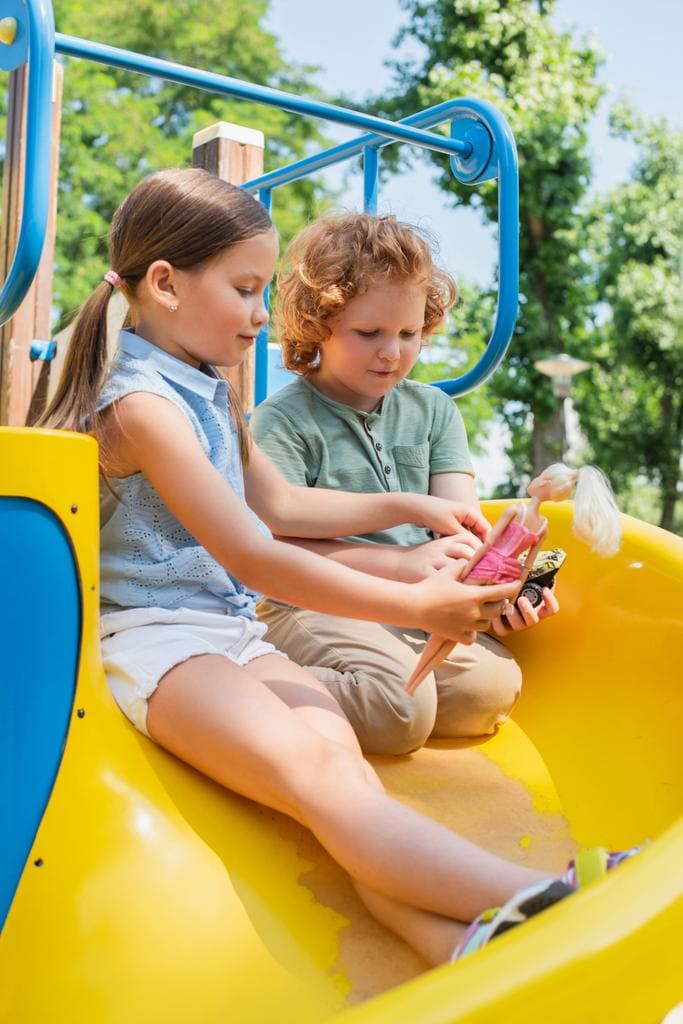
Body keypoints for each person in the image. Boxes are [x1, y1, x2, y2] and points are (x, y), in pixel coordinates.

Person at [38, 168, 624, 965]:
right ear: (166, 285)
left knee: (345, 787)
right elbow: (253, 551)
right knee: (320, 777)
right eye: (245, 290)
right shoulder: (140, 405)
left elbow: (280, 505)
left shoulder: (208, 390)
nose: (257, 315)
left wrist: (408, 508)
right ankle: (560, 901)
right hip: (158, 641)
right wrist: (420, 605)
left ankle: (458, 945)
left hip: (231, 632)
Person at [251, 213, 560, 755]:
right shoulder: (282, 420)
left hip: (411, 605)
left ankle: (383, 695)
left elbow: (458, 533)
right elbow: (277, 541)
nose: (392, 352)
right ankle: (236, 678)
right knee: (399, 710)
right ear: (316, 324)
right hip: (313, 602)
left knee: (491, 690)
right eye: (368, 333)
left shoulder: (435, 411)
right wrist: (403, 554)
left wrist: (500, 590)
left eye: (409, 333)